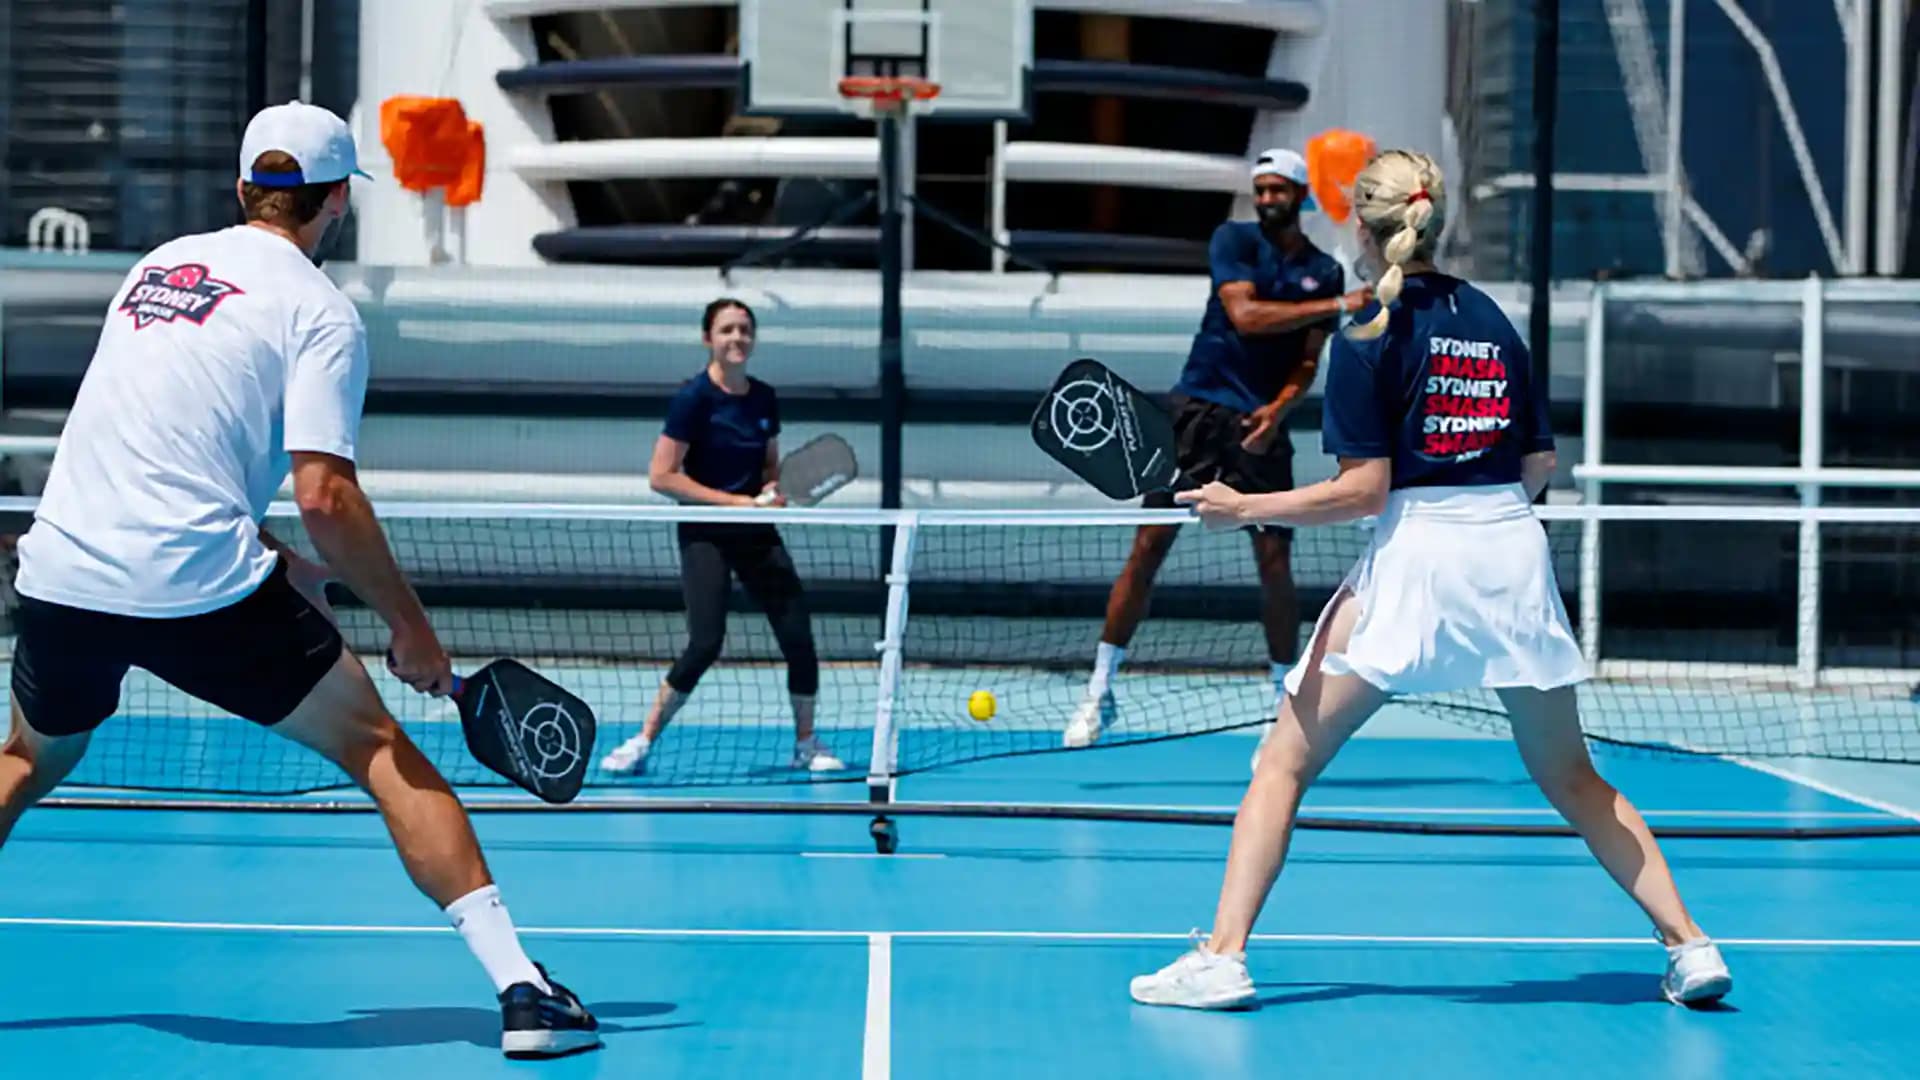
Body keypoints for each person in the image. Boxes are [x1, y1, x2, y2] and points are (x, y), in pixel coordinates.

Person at [0, 103, 600, 1058]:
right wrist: (412, 628)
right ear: (336, 206)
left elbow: (163, 461)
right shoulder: (320, 311)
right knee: (382, 754)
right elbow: (325, 492)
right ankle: (525, 995)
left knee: (27, 762)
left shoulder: (156, 271)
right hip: (197, 589)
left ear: (244, 190)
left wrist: (291, 569)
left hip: (65, 568)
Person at [1128, 150, 1733, 1010]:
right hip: (1512, 553)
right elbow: (1538, 463)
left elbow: (1362, 492)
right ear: (1436, 219)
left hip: (1418, 562)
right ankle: (1693, 945)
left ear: (1361, 228)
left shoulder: (1365, 335)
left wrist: (1244, 508)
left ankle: (1222, 957)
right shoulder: (1490, 316)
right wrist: (1480, 524)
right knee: (1572, 776)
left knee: (1282, 763)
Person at [1064, 148, 1372, 755]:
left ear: (1299, 196)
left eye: (1277, 190)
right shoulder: (1232, 241)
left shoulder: (1322, 270)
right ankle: (1099, 690)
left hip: (1259, 427)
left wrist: (1277, 412)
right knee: (1149, 547)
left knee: (1275, 565)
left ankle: (1277, 706)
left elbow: (1309, 358)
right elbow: (1246, 315)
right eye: (1259, 190)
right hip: (1195, 415)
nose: (1265, 199)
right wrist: (1341, 307)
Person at [600, 299, 844, 775]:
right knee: (705, 642)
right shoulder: (693, 399)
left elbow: (770, 463)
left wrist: (771, 489)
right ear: (708, 338)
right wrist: (733, 502)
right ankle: (643, 741)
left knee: (798, 635)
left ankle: (806, 743)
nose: (737, 338)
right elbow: (662, 476)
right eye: (727, 330)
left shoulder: (764, 398)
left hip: (756, 532)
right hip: (706, 533)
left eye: (745, 330)